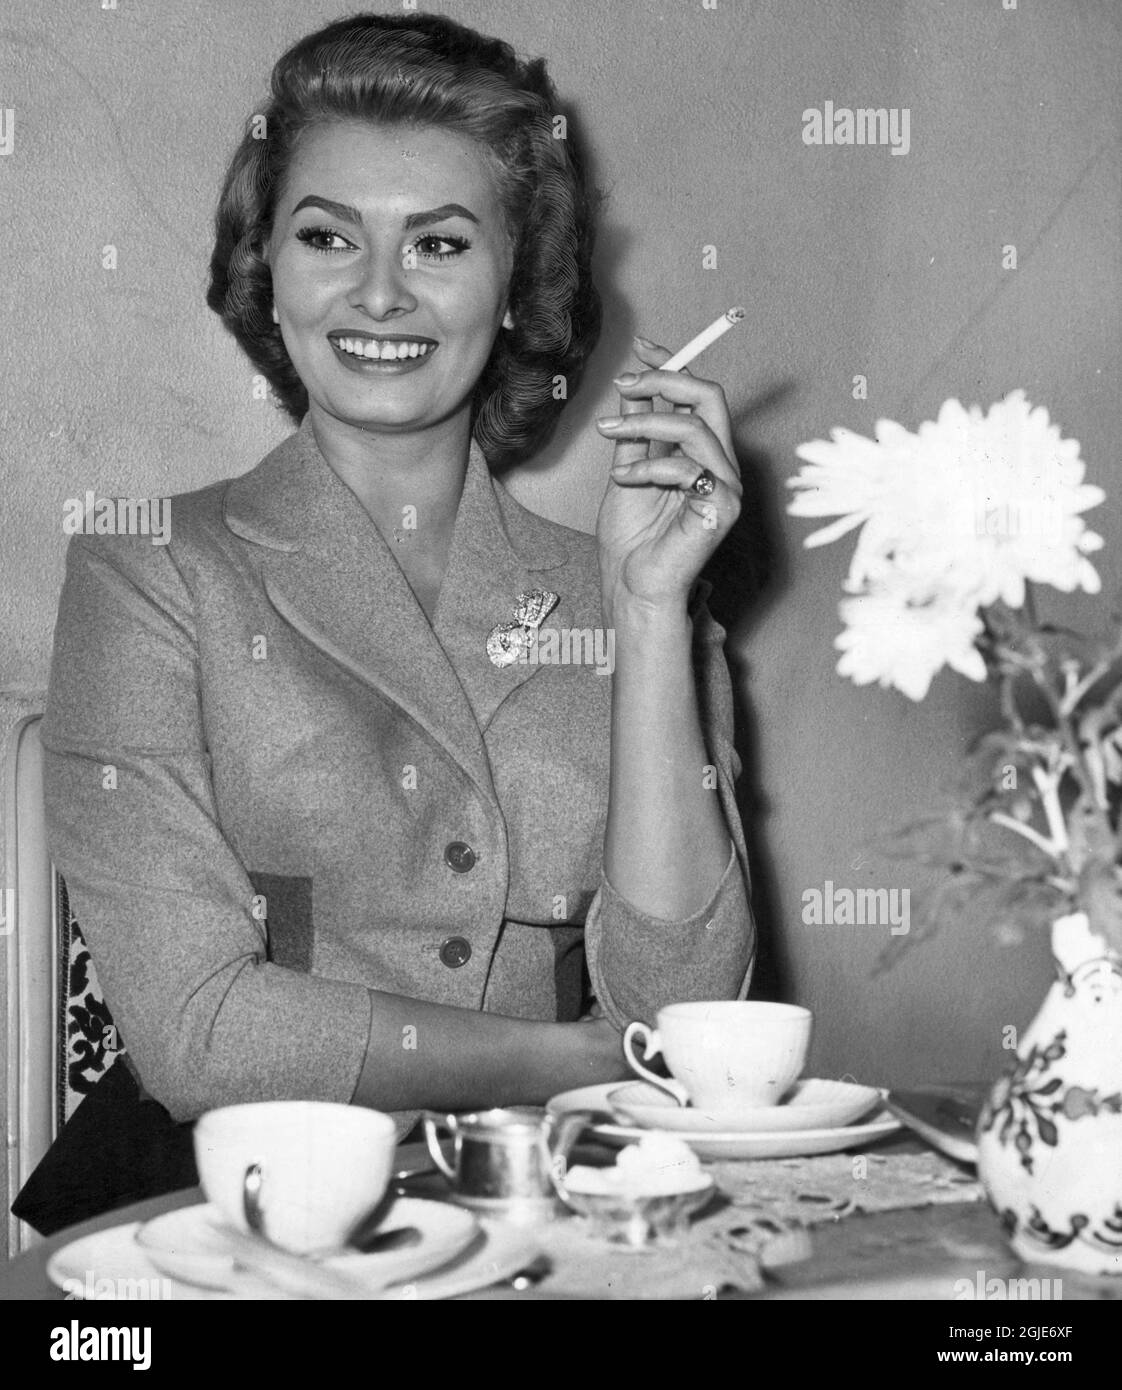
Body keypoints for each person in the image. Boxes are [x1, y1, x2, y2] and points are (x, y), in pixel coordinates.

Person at [25, 11, 754, 1227]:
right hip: (234, 1213)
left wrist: (648, 613)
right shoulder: (148, 567)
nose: (377, 290)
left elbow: (693, 1013)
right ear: (269, 268)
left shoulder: (635, 589)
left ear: (518, 285)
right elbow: (203, 1032)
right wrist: (581, 1059)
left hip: (549, 1210)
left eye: (439, 243)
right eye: (327, 236)